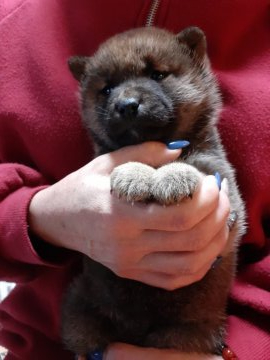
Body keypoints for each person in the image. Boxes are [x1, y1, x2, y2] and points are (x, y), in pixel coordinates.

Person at [0, 1, 269, 359]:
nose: (126, 99)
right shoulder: (9, 20)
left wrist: (249, 350)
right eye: (106, 89)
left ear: (194, 58)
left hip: (196, 334)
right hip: (70, 334)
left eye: (157, 75)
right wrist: (37, 216)